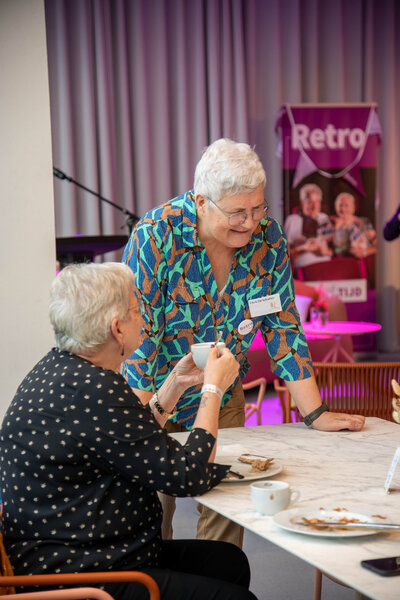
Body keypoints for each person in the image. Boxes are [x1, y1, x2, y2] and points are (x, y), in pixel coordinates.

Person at [122, 138, 365, 545]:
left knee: (226, 515)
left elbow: (283, 325)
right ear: (201, 202)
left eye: (257, 209)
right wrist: (138, 426)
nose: (250, 222)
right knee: (150, 520)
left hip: (223, 395)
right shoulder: (156, 236)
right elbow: (140, 336)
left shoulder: (268, 240)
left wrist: (315, 413)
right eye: (237, 212)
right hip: (156, 395)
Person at [0, 262, 257, 600]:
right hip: (82, 575)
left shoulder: (58, 368)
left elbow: (131, 443)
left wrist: (175, 385)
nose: (145, 320)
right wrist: (213, 389)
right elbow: (187, 475)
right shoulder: (95, 389)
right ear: (117, 328)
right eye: (137, 310)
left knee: (227, 561)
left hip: (78, 552)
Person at [283, 183, 333, 269]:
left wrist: (325, 251)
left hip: (326, 267)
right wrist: (303, 249)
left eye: (317, 201)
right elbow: (283, 255)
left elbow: (332, 251)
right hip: (305, 269)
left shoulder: (324, 218)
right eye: (310, 202)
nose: (314, 206)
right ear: (302, 203)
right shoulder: (292, 220)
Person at [332, 192, 376, 258]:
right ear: (336, 207)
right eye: (340, 205)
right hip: (345, 263)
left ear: (353, 207)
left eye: (346, 205)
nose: (343, 209)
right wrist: (338, 229)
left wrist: (364, 252)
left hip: (364, 262)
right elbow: (337, 252)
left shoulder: (363, 222)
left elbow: (378, 246)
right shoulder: (332, 224)